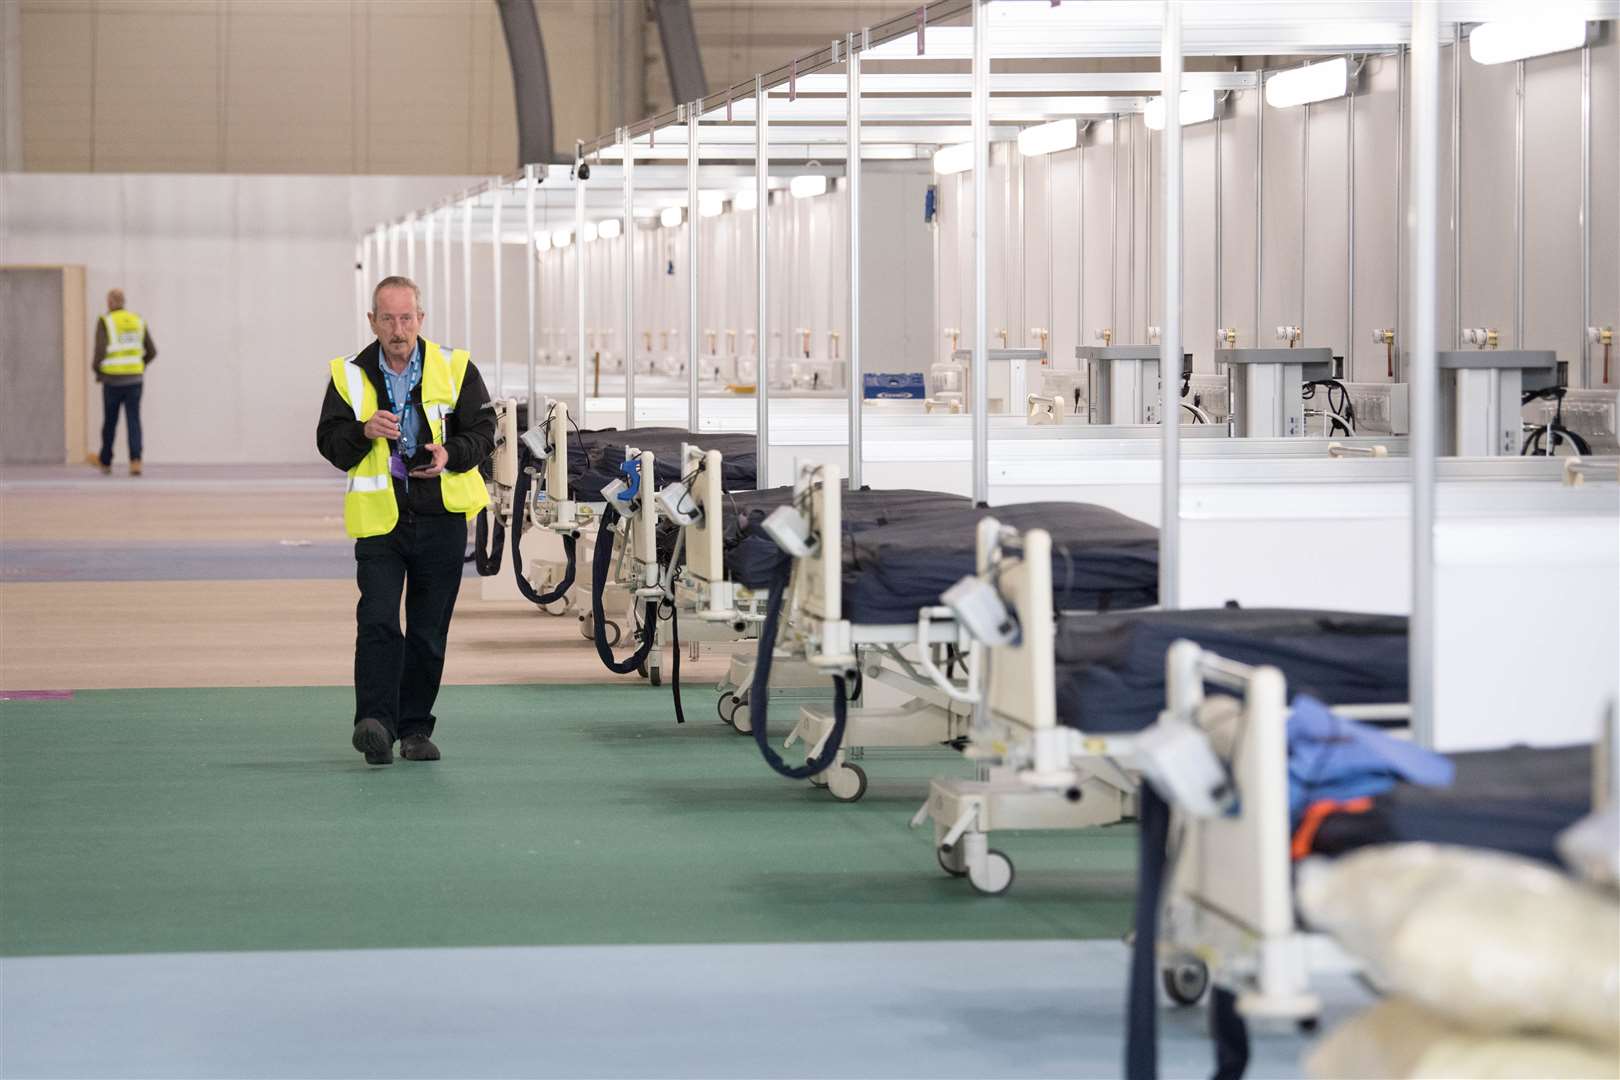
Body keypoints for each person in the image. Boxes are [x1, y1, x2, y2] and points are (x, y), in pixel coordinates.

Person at [315, 276, 494, 766]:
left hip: (441, 517)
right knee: (376, 622)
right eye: (388, 319)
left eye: (407, 318)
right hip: (380, 522)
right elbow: (330, 443)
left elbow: (484, 432)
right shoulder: (348, 375)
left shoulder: (456, 368)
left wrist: (450, 452)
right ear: (372, 321)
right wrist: (362, 430)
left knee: (427, 630)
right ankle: (374, 724)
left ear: (421, 318)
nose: (399, 329)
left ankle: (415, 728)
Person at [93, 289, 157, 476]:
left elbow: (99, 351)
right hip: (135, 381)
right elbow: (151, 351)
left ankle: (105, 461)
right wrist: (139, 365)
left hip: (112, 380)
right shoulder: (137, 320)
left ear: (111, 302)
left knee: (110, 422)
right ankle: (135, 461)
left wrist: (98, 370)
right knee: (133, 420)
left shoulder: (106, 321)